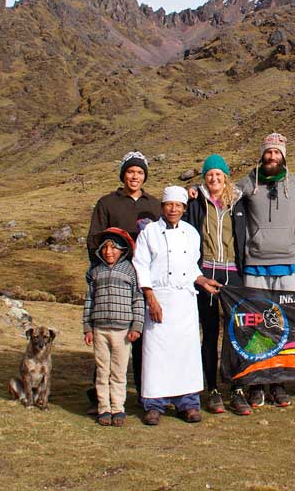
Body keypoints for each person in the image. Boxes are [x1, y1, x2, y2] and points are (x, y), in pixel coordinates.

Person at [133, 186, 221, 425]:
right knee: (156, 355)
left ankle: (188, 403)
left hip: (184, 301)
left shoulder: (191, 233)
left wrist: (203, 281)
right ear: (162, 207)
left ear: (184, 208)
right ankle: (154, 404)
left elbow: (192, 267)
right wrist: (150, 298)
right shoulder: (149, 232)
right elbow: (141, 265)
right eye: (169, 205)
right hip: (159, 299)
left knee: (186, 353)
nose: (173, 209)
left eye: (178, 205)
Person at [85, 150, 162, 402]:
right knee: (107, 335)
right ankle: (101, 396)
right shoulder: (107, 203)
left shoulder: (153, 205)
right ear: (123, 174)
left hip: (145, 279)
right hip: (113, 278)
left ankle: (145, 392)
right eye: (131, 171)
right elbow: (94, 239)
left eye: (140, 172)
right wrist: (103, 270)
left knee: (141, 334)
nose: (135, 177)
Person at [236, 132, 295, 408]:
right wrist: (195, 191)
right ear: (262, 155)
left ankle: (279, 381)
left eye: (277, 152)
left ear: (283, 156)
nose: (272, 156)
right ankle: (258, 381)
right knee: (257, 325)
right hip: (256, 263)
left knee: (283, 324)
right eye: (269, 152)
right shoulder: (247, 183)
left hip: (287, 263)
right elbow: (222, 194)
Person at [184, 154, 252, 416]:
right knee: (210, 332)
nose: (214, 178)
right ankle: (211, 388)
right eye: (210, 174)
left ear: (226, 178)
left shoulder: (238, 202)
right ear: (204, 178)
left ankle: (237, 387)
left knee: (236, 334)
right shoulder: (196, 202)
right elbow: (172, 206)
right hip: (207, 271)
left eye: (219, 175)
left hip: (233, 273)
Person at [82, 227, 144, 427]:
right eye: (105, 248)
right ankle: (103, 408)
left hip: (123, 331)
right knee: (102, 371)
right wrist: (87, 328)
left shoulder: (130, 271)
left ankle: (118, 408)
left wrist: (137, 326)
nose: (109, 251)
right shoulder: (95, 271)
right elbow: (89, 300)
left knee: (118, 372)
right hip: (99, 329)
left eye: (114, 247)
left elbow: (138, 299)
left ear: (123, 250)